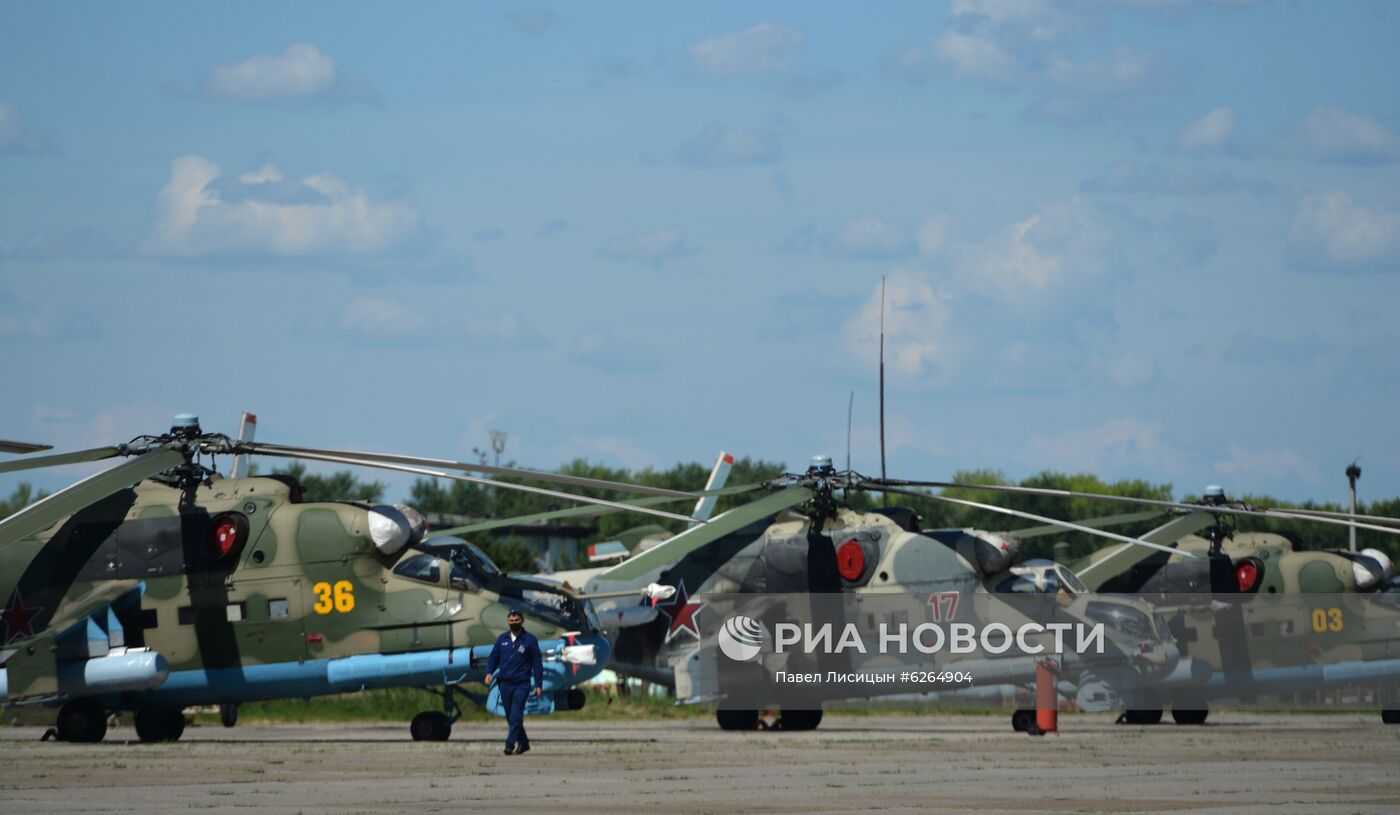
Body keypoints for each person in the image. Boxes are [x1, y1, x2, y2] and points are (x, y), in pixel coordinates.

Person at [484, 608, 543, 755]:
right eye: (511, 621)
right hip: (505, 684)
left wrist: (538, 684)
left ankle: (509, 744)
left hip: (521, 684)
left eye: (517, 620)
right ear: (507, 621)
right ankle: (524, 743)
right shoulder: (502, 639)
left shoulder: (530, 640)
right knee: (511, 717)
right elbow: (493, 658)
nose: (514, 623)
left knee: (516, 715)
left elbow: (537, 663)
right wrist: (489, 672)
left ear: (522, 620)